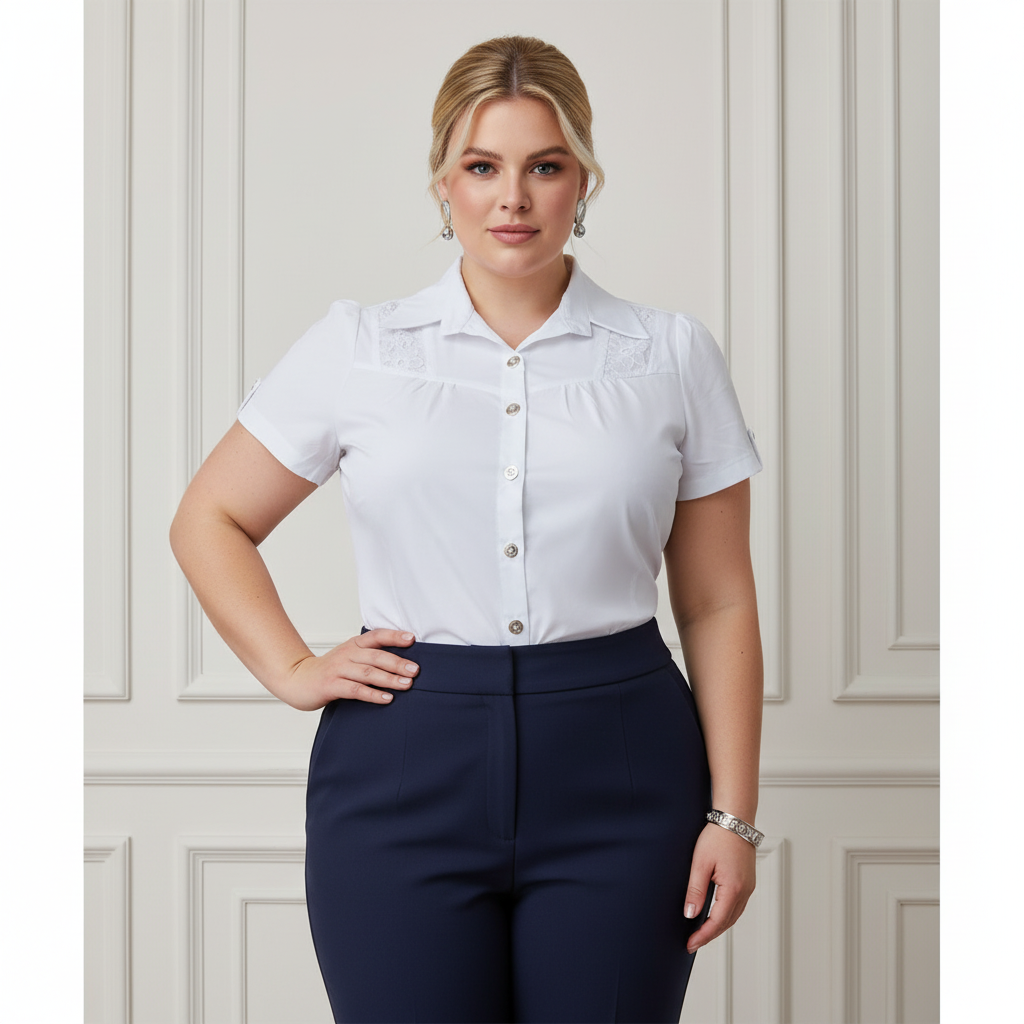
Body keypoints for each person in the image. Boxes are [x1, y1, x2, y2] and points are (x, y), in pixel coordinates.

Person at [170, 34, 764, 1024]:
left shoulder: (668, 355)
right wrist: (291, 667)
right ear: (442, 182)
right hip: (402, 766)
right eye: (482, 167)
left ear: (585, 180)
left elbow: (717, 600)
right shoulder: (359, 348)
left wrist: (733, 816)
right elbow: (210, 516)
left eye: (545, 167)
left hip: (621, 768)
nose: (512, 199)